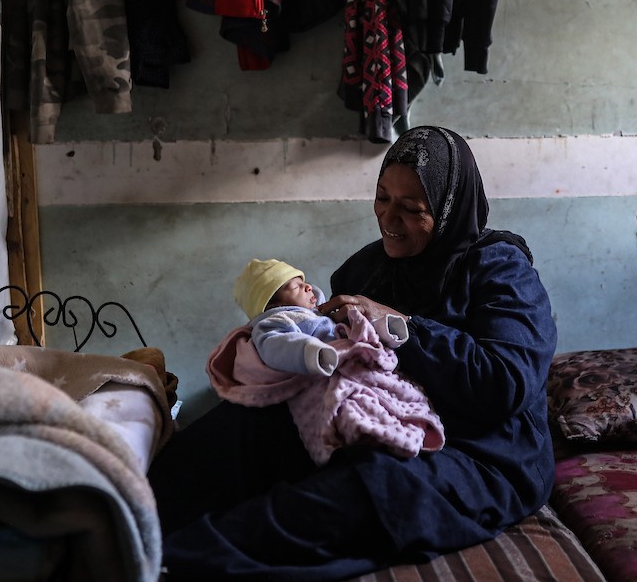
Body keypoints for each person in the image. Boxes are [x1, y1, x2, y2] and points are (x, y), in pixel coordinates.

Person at [146, 125, 557, 580]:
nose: (389, 218)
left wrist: (403, 327)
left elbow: (506, 382)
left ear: (448, 209)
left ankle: (170, 565)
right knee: (251, 422)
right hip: (371, 420)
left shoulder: (500, 270)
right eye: (382, 198)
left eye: (411, 209)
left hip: (479, 452)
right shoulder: (368, 269)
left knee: (371, 485)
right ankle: (129, 517)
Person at [232, 258, 409, 376]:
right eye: (296, 287)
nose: (308, 287)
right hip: (328, 366)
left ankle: (387, 330)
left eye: (305, 282)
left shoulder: (321, 312)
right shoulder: (277, 321)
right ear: (273, 306)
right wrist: (311, 353)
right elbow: (275, 347)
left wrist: (375, 326)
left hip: (358, 355)